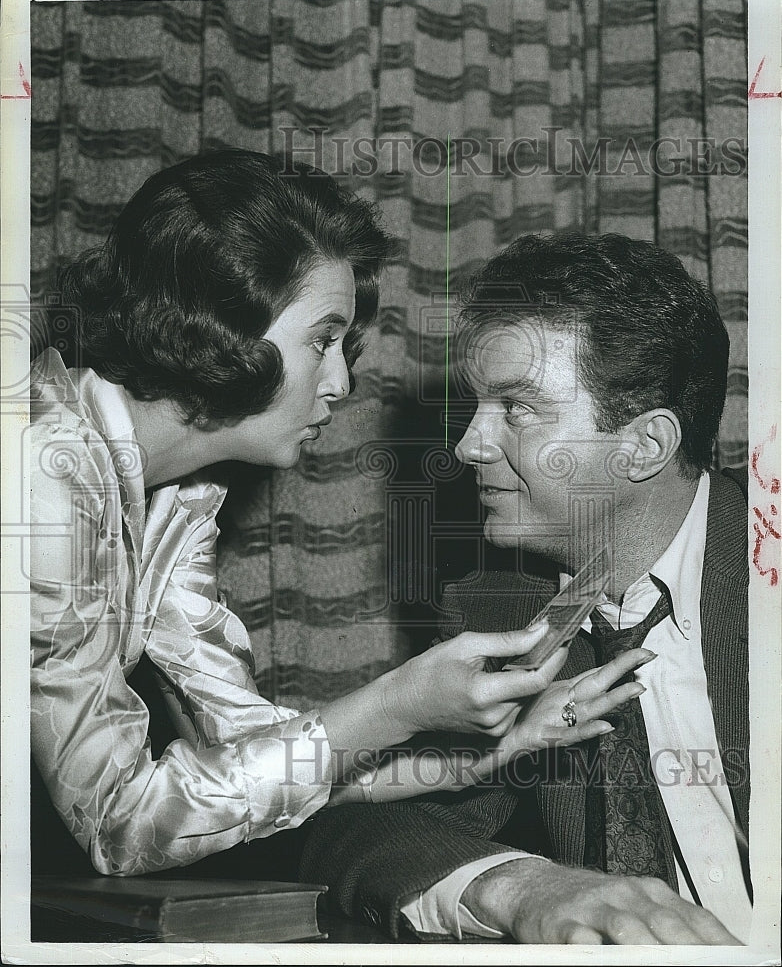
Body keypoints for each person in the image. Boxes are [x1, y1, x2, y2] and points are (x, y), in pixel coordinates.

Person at [30, 153, 643, 880]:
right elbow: (121, 820)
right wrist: (395, 703)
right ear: (220, 324)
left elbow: (253, 761)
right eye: (322, 340)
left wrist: (484, 754)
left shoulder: (180, 499)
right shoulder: (42, 472)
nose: (341, 382)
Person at [300, 231, 751, 946]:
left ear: (644, 446)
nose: (468, 446)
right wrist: (521, 886)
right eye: (479, 405)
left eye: (516, 408)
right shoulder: (502, 606)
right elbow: (359, 820)